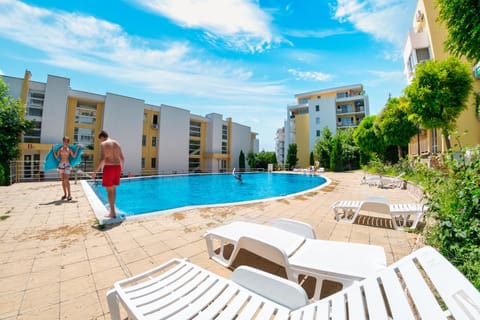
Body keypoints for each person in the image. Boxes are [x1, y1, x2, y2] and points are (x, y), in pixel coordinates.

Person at [92, 130, 124, 219]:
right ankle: (113, 210)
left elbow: (102, 159)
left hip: (109, 168)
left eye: (100, 140)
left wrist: (95, 172)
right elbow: (122, 158)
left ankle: (112, 213)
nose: (101, 142)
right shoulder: (117, 143)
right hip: (117, 167)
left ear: (102, 137)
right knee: (113, 189)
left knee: (109, 191)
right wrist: (121, 169)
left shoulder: (103, 144)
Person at [53, 136, 81, 201]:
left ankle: (69, 195)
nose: (66, 142)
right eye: (65, 141)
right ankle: (65, 194)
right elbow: (56, 157)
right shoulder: (60, 149)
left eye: (67, 141)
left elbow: (74, 156)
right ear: (63, 141)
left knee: (66, 179)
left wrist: (77, 149)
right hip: (61, 165)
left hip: (67, 165)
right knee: (63, 180)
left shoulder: (69, 150)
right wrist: (54, 150)